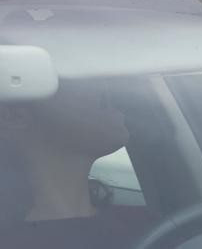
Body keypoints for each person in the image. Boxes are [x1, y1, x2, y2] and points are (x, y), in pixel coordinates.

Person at [0, 81, 154, 249]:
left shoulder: (152, 224)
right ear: (13, 116)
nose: (104, 86)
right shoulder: (153, 227)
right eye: (76, 78)